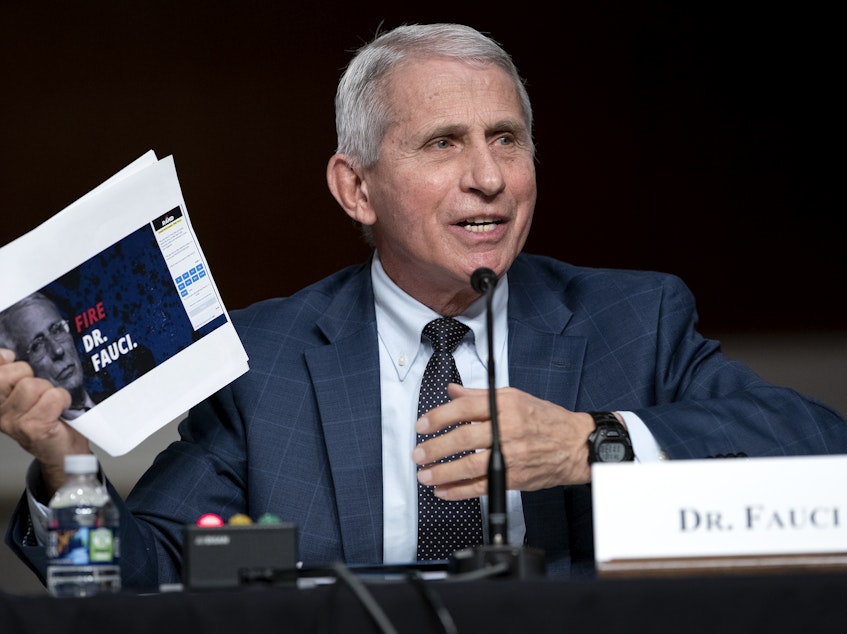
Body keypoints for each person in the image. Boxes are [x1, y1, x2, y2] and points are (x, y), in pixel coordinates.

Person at [2, 23, 847, 589]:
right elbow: (128, 579)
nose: (488, 177)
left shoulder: (634, 319)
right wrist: (67, 464)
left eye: (506, 140)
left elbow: (821, 451)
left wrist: (595, 442)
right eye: (444, 143)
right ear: (356, 187)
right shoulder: (268, 358)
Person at [0, 292, 96, 422]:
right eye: (37, 346)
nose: (58, 350)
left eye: (57, 330)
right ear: (18, 366)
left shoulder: (119, 398)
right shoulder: (41, 434)